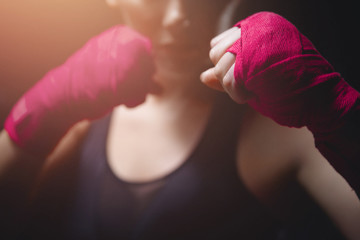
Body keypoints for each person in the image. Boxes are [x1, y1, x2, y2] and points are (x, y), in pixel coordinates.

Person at [0, 0, 359, 239]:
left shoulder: (274, 129)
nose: (178, 17)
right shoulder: (82, 109)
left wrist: (337, 112)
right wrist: (41, 109)